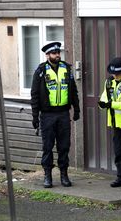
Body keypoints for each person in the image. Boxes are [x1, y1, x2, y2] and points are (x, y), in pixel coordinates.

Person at [30, 42, 80, 188]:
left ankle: (64, 175)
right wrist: (35, 116)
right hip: (47, 115)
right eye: (54, 53)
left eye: (58, 52)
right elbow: (35, 95)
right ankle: (48, 176)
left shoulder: (66, 68)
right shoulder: (40, 71)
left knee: (64, 146)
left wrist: (76, 109)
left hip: (63, 113)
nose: (57, 55)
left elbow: (73, 91)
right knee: (48, 146)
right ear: (47, 55)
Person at [98, 57, 121, 189]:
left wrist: (110, 104)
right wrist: (102, 104)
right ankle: (120, 177)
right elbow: (104, 98)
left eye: (117, 73)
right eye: (113, 73)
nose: (115, 75)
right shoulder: (109, 82)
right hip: (115, 123)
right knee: (118, 151)